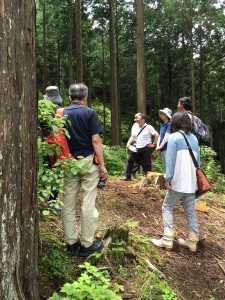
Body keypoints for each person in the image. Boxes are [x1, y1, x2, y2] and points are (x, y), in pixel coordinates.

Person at [62, 83, 108, 257]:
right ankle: (86, 244)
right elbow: (95, 140)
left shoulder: (61, 113)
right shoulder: (89, 113)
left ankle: (71, 242)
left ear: (69, 97)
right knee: (88, 201)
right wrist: (102, 165)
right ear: (85, 97)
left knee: (68, 201)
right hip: (88, 161)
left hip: (69, 163)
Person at [152, 111, 200, 252]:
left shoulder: (174, 137)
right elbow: (198, 164)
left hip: (178, 181)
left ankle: (167, 239)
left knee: (167, 207)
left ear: (175, 122)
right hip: (192, 182)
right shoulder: (195, 139)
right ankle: (192, 241)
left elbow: (170, 161)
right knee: (190, 211)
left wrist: (168, 178)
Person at [121, 113, 159, 181]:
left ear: (143, 120)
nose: (136, 120)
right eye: (136, 119)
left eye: (138, 119)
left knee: (146, 164)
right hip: (137, 148)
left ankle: (149, 180)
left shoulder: (148, 127)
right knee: (131, 160)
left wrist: (154, 144)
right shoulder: (135, 126)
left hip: (146, 148)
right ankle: (127, 176)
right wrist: (128, 143)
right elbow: (133, 136)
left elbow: (156, 135)